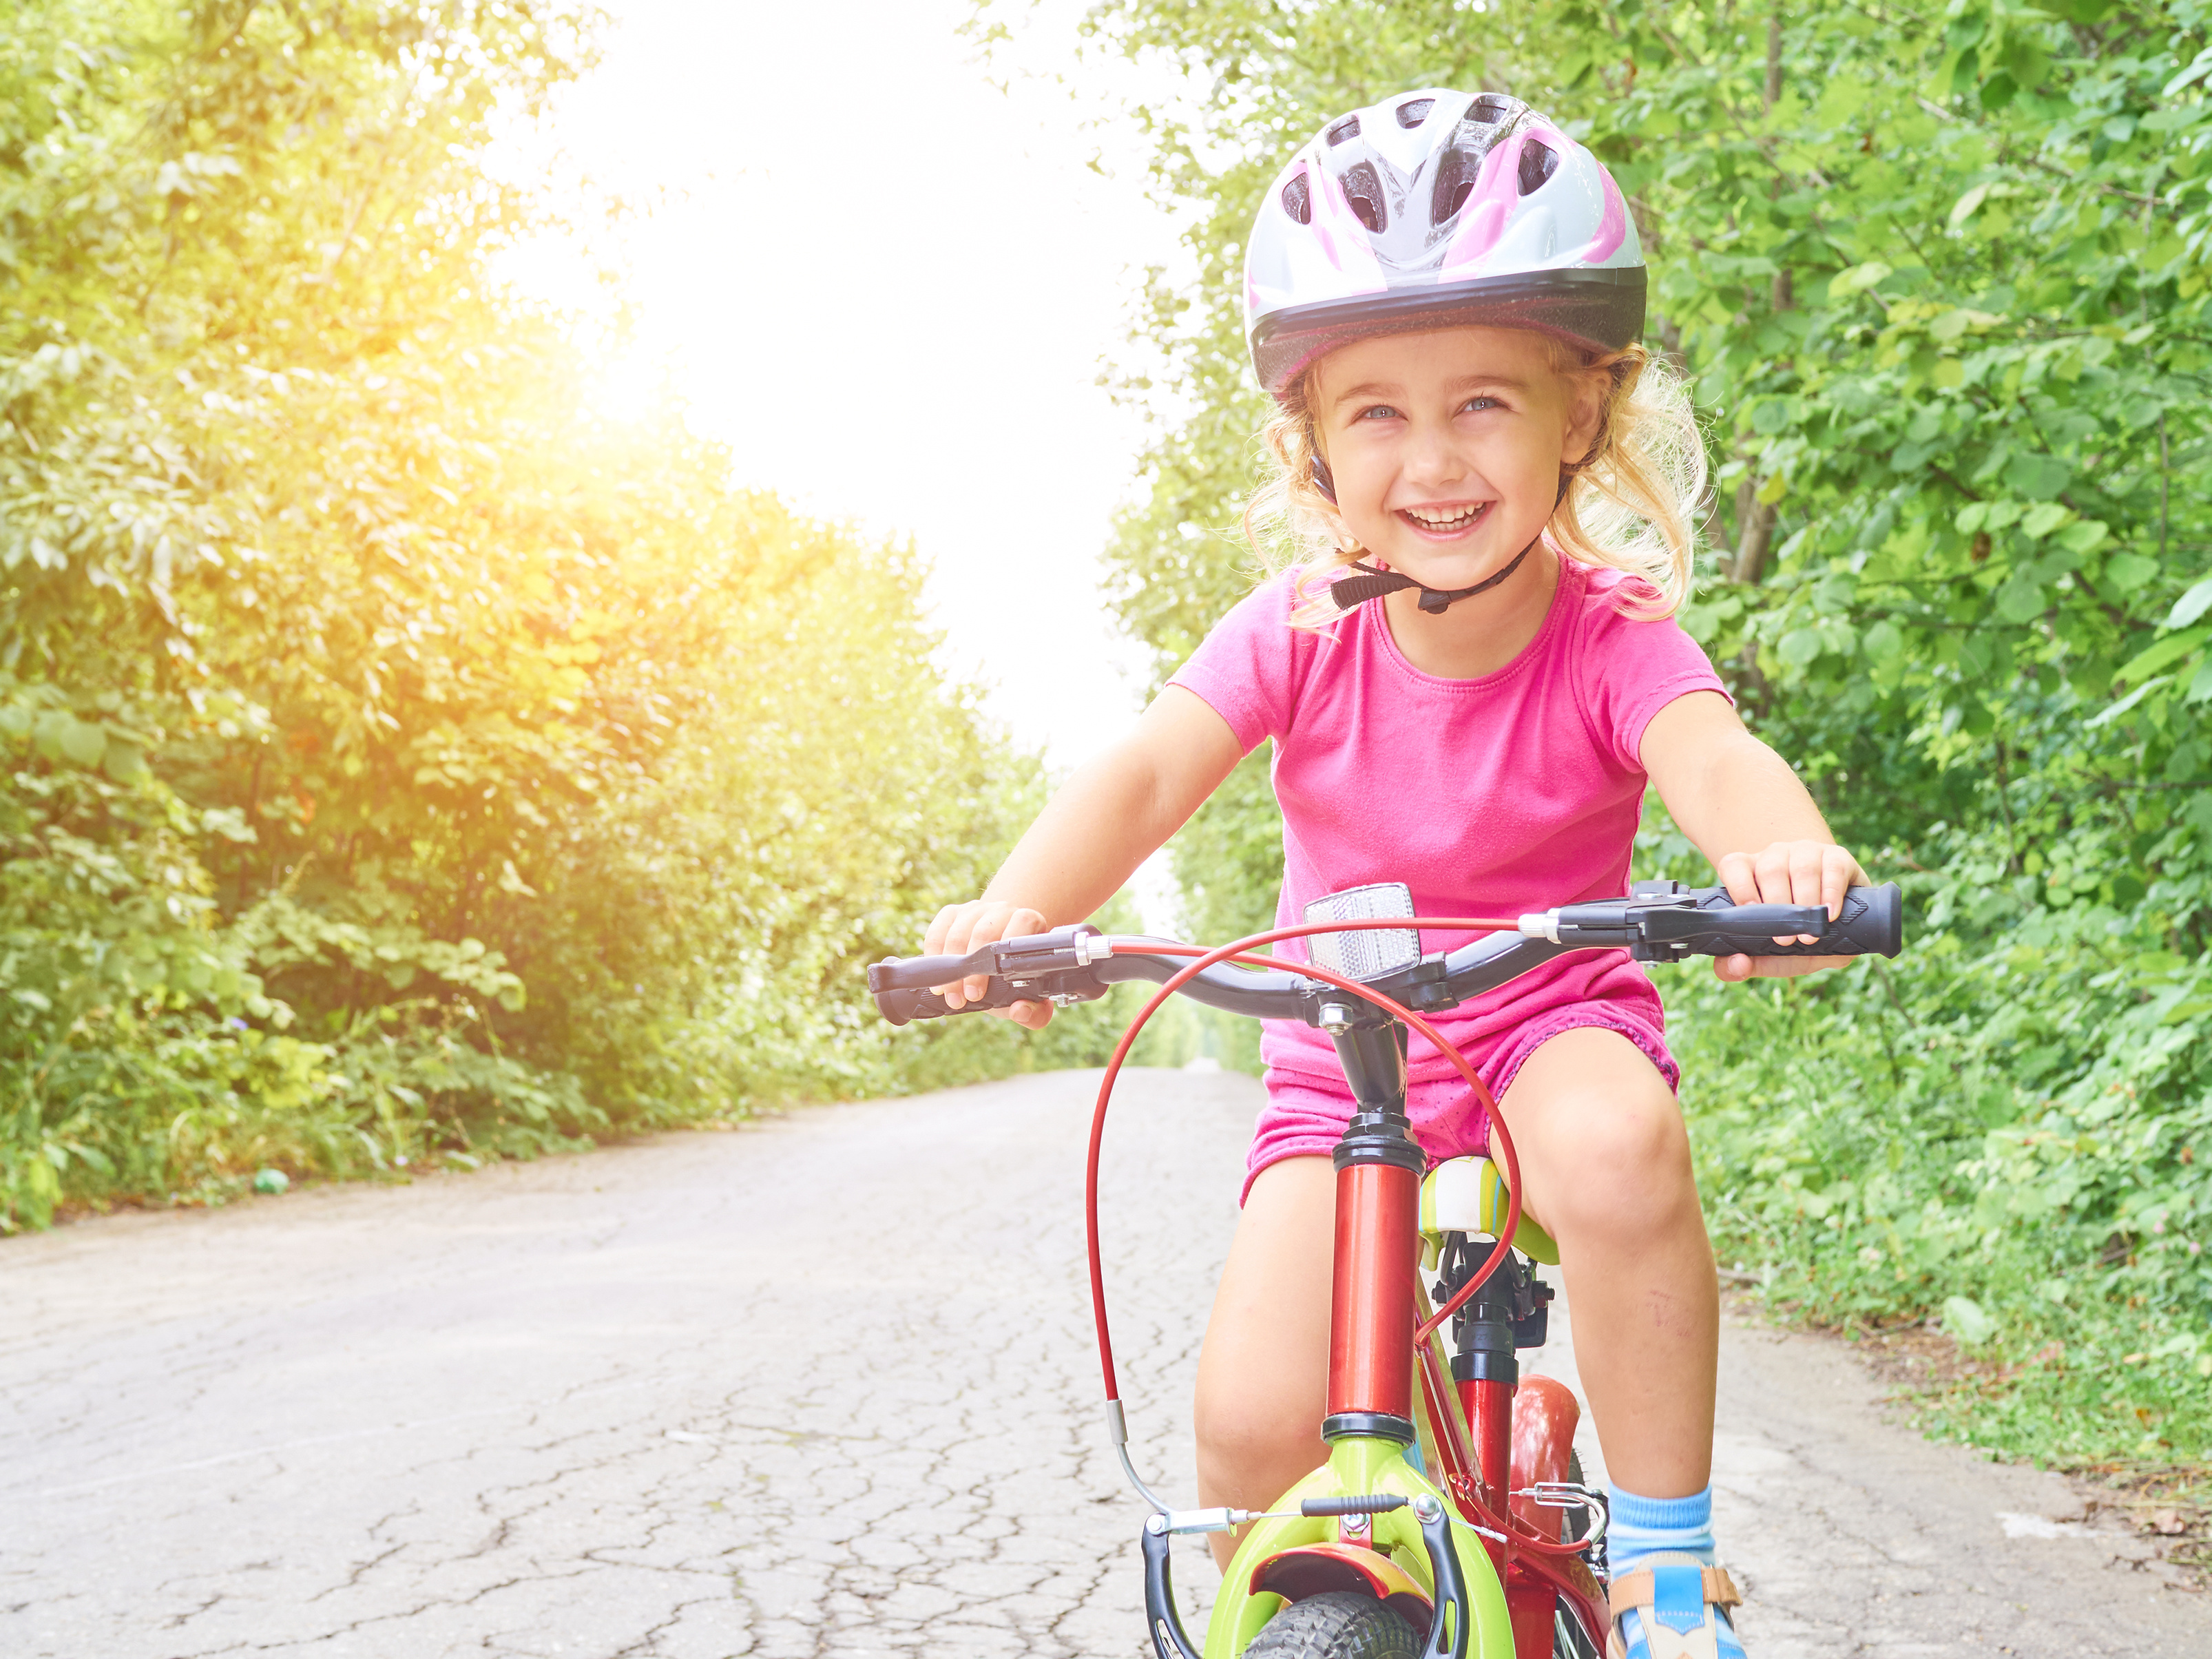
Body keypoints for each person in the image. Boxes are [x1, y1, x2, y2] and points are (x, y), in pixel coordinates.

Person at [926, 90, 1865, 1659]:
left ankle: (1665, 1568)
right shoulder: (1300, 628)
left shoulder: (1608, 629)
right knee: (1244, 1428)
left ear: (1581, 413)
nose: (1431, 459)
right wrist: (1022, 908)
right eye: (1376, 412)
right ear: (1312, 442)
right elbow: (1152, 768)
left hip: (1540, 1014)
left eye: (1484, 402)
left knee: (1620, 1147)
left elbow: (1711, 756)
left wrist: (1782, 852)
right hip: (1342, 1049)